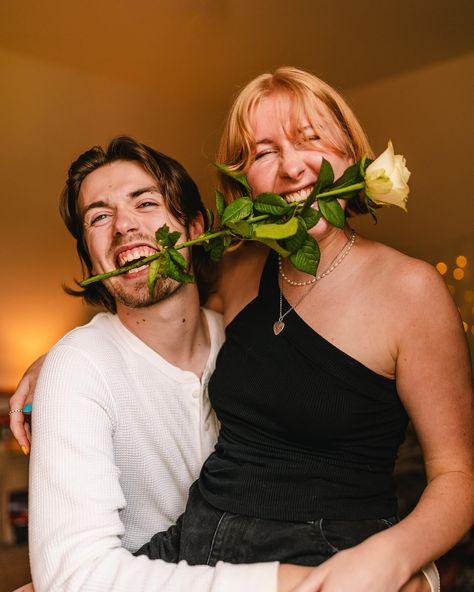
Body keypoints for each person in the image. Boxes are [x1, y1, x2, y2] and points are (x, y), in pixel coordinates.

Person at [130, 67, 474, 590]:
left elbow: (458, 476)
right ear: (244, 184)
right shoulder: (235, 270)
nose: (292, 167)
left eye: (310, 139)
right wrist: (57, 361)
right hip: (197, 545)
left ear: (349, 153)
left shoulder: (411, 290)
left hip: (329, 559)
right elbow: (147, 320)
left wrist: (393, 557)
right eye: (264, 153)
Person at [11, 136, 313, 592]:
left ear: (194, 229)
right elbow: (75, 578)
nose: (123, 226)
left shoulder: (250, 346)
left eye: (145, 203)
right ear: (90, 257)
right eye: (99, 216)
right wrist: (284, 583)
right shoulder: (79, 368)